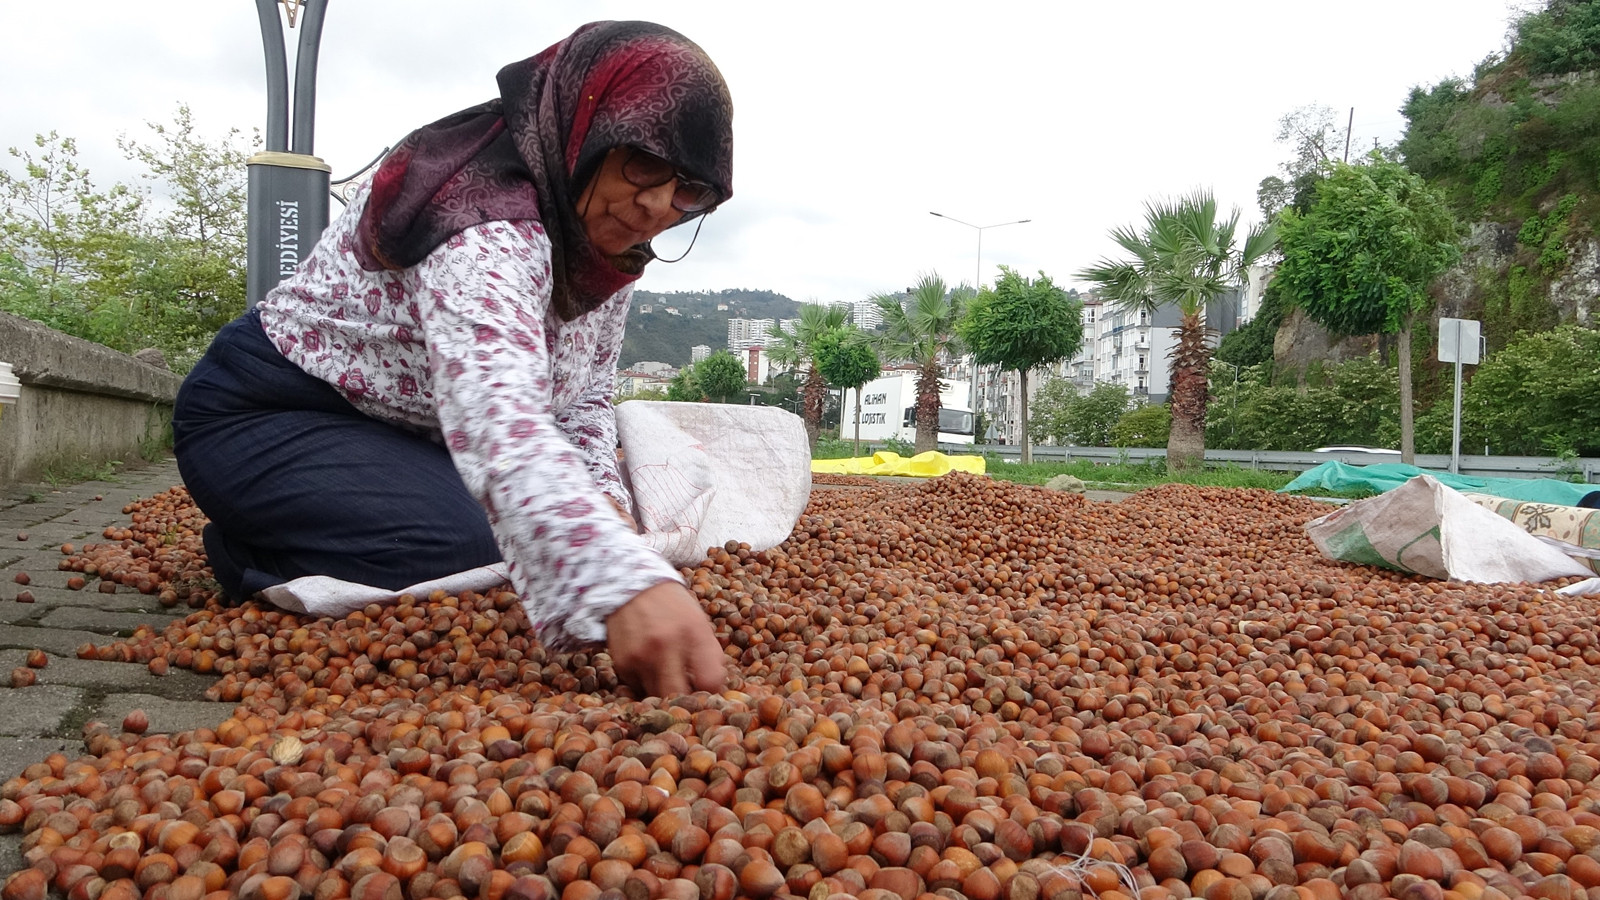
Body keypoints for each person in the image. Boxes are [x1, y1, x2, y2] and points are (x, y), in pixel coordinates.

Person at [171, 21, 732, 698]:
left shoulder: (602, 250)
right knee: (479, 547)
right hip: (270, 411)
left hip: (406, 431)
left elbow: (581, 396)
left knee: (529, 534)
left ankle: (320, 518)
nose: (655, 206)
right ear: (588, 130)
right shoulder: (483, 218)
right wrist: (625, 582)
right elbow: (499, 416)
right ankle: (249, 548)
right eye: (642, 162)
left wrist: (608, 513)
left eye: (687, 191)